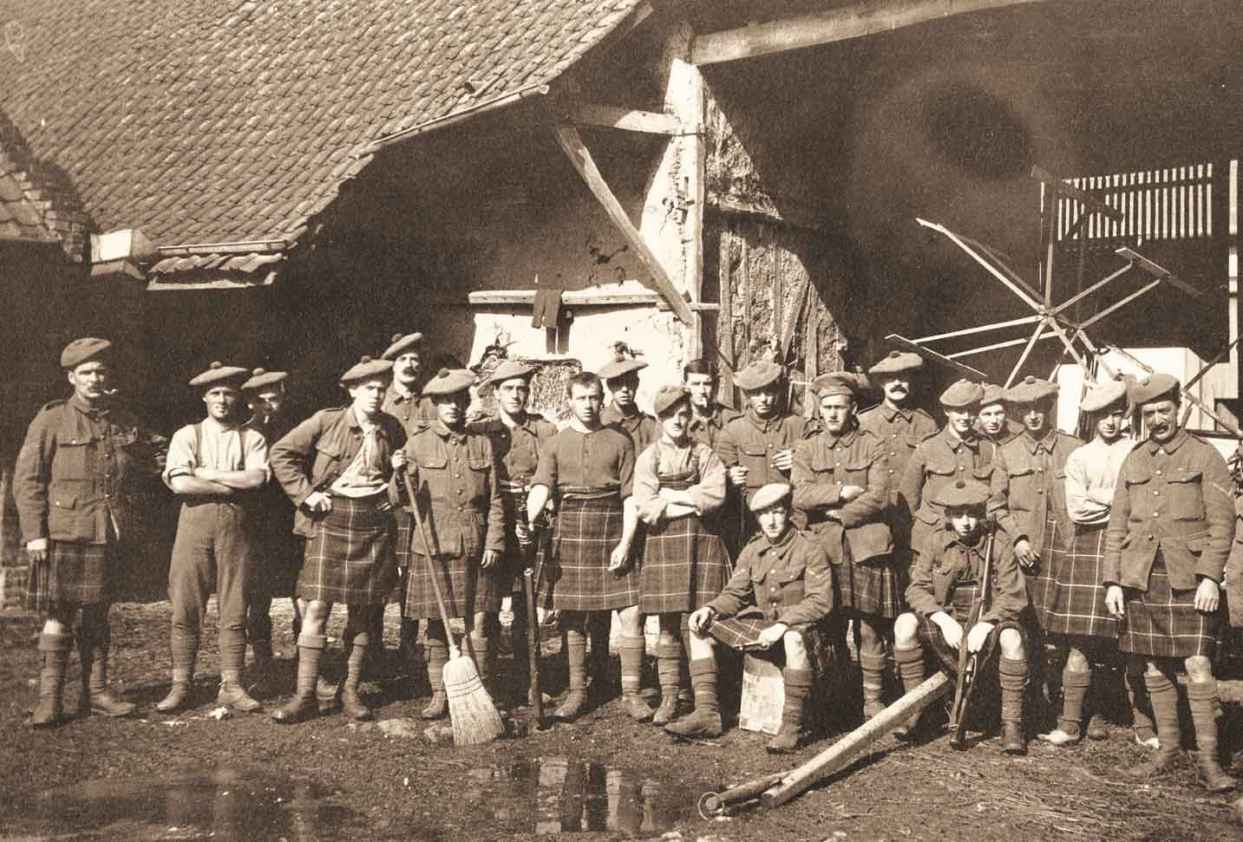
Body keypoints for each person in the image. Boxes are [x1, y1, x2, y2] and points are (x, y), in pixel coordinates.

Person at [14, 338, 162, 726]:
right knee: (58, 614)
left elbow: (158, 456)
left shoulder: (123, 420)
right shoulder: (51, 420)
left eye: (101, 371)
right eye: (87, 372)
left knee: (98, 613)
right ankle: (50, 700)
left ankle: (95, 693)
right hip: (64, 531)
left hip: (108, 532)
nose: (95, 379)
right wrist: (35, 534)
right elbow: (27, 481)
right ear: (71, 377)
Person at [1103, 373, 1235, 792]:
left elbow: (1222, 523)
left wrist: (1211, 576)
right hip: (1142, 575)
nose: (1158, 419)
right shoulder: (1134, 459)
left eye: (1164, 411)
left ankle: (1212, 764)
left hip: (1189, 577)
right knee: (1152, 661)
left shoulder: (1205, 455)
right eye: (1149, 414)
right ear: (1140, 418)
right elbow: (1117, 524)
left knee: (1198, 663)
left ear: (1180, 410)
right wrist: (1113, 581)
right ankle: (1169, 751)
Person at [268, 356, 406, 723]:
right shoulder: (327, 421)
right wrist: (305, 495)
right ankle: (305, 695)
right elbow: (281, 454)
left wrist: (398, 478)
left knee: (363, 611)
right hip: (332, 518)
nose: (377, 395)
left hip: (373, 520)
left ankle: (350, 691)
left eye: (382, 388)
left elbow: (401, 480)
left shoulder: (393, 427)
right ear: (352, 391)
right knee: (316, 608)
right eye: (369, 389)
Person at [669, 483, 833, 753]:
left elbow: (820, 600)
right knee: (699, 627)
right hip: (763, 625)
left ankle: (792, 725)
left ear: (788, 513)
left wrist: (783, 625)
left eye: (777, 512)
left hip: (804, 628)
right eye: (763, 514)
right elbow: (736, 593)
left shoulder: (809, 547)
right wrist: (710, 608)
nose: (771, 520)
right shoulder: (752, 549)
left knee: (793, 638)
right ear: (757, 518)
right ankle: (707, 714)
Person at [525, 372, 644, 722]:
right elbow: (542, 487)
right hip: (571, 526)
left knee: (631, 611)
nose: (589, 404)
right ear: (570, 401)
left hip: (610, 527)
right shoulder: (556, 444)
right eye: (581, 398)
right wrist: (529, 519)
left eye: (594, 397)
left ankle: (633, 694)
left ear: (601, 398)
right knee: (573, 617)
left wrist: (626, 541)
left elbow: (631, 496)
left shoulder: (621, 441)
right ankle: (578, 692)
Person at [1039, 379, 1151, 747]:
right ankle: (1071, 724)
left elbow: (1145, 505)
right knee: (1081, 643)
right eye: (1103, 416)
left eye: (1117, 415)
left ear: (1125, 417)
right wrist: (1121, 500)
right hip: (1089, 548)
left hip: (1130, 548)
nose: (1110, 422)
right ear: (1092, 419)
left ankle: (1141, 725)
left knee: (1130, 642)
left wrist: (1110, 502)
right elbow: (1078, 509)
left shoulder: (1138, 452)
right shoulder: (1080, 457)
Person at [158, 362, 270, 714]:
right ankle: (181, 685)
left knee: (235, 604)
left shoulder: (251, 437)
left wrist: (205, 473)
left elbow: (256, 480)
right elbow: (180, 483)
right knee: (185, 604)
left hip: (235, 526)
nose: (222, 400)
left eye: (228, 393)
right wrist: (227, 482)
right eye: (215, 394)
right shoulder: (187, 435)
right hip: (194, 522)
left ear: (238, 397)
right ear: (205, 398)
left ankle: (232, 685)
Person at [396, 368, 506, 718]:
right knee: (436, 624)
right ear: (436, 404)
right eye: (446, 401)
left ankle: (481, 691)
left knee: (481, 621)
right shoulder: (417, 443)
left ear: (467, 401)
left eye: (460, 400)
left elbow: (496, 500)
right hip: (433, 543)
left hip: (476, 542)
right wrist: (399, 475)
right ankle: (440, 694)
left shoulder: (481, 442)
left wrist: (495, 541)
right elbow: (401, 498)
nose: (454, 407)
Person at [892, 478, 1030, 753]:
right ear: (948, 516)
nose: (965, 522)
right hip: (949, 619)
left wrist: (987, 623)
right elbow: (916, 588)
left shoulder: (999, 544)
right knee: (904, 624)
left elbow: (1013, 594)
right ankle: (914, 710)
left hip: (989, 619)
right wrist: (941, 619)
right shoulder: (935, 543)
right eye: (958, 515)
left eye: (972, 514)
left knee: (1013, 639)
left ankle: (1012, 723)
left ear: (982, 514)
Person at [792, 372, 895, 719]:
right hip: (826, 550)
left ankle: (873, 702)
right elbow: (800, 494)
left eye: (840, 407)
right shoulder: (807, 448)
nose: (833, 414)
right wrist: (839, 492)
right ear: (819, 410)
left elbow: (880, 496)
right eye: (827, 407)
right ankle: (837, 700)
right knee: (830, 626)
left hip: (866, 547)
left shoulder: (873, 444)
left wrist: (838, 514)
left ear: (853, 409)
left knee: (869, 628)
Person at [630, 385, 731, 726]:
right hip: (663, 544)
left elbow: (716, 496)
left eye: (683, 414)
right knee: (668, 624)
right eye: (670, 415)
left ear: (690, 418)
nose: (678, 420)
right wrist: (690, 499)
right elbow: (645, 508)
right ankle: (671, 696)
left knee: (698, 622)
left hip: (702, 543)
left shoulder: (705, 454)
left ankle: (705, 702)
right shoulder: (649, 458)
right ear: (660, 419)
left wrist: (670, 497)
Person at [987, 376, 1083, 718]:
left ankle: (1069, 702)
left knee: (1069, 630)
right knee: (1032, 628)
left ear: (1049, 408)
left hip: (1069, 548)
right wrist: (1018, 537)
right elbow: (995, 505)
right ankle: (1035, 700)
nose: (1033, 416)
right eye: (1025, 410)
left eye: (1039, 408)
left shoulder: (1074, 449)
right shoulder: (1006, 452)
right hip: (1029, 553)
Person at [468, 359, 558, 706]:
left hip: (531, 518)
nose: (516, 395)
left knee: (525, 604)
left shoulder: (544, 430)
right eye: (509, 389)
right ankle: (485, 683)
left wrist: (542, 508)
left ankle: (528, 680)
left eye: (522, 388)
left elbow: (552, 475)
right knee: (487, 603)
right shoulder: (481, 431)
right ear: (496, 393)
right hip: (494, 520)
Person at [241, 368, 302, 675]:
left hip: (291, 522)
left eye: (274, 398)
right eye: (261, 400)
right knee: (257, 597)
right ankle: (262, 661)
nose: (268, 406)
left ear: (283, 396)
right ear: (251, 403)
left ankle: (305, 663)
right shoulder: (242, 435)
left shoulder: (297, 432)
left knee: (302, 594)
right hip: (256, 525)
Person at [899, 379, 996, 567]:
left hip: (973, 541)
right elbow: (909, 499)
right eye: (959, 411)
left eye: (971, 410)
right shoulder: (927, 447)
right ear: (947, 411)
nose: (965, 417)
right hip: (931, 539)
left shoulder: (987, 448)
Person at [381, 331, 436, 658]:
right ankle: (373, 645)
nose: (410, 365)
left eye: (415, 359)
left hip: (422, 497)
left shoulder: (430, 401)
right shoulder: (382, 401)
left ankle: (411, 642)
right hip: (387, 499)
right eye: (403, 360)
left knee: (418, 569)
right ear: (392, 365)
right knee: (384, 571)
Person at [715, 360, 807, 546]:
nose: (764, 399)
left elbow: (819, 470)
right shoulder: (733, 431)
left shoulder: (798, 426)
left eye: (769, 391)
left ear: (778, 392)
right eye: (756, 393)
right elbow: (716, 476)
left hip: (792, 520)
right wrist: (728, 476)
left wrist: (799, 461)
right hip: (751, 524)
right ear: (747, 396)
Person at [599, 355, 659, 456]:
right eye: (618, 383)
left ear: (637, 384)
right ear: (609, 386)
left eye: (630, 383)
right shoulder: (599, 422)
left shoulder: (649, 425)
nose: (625, 389)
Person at [682, 358, 739, 450]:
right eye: (696, 384)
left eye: (707, 384)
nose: (702, 390)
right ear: (685, 387)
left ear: (715, 385)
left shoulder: (731, 418)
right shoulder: (677, 420)